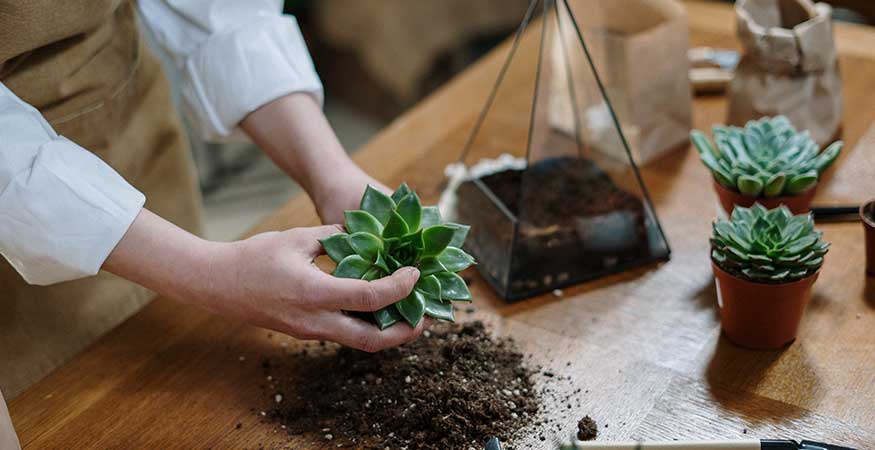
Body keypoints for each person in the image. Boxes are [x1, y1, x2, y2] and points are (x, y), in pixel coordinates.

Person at [0, 1, 430, 445]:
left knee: (180, 366)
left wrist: (330, 174)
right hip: (12, 249)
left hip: (123, 118)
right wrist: (210, 272)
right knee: (66, 414)